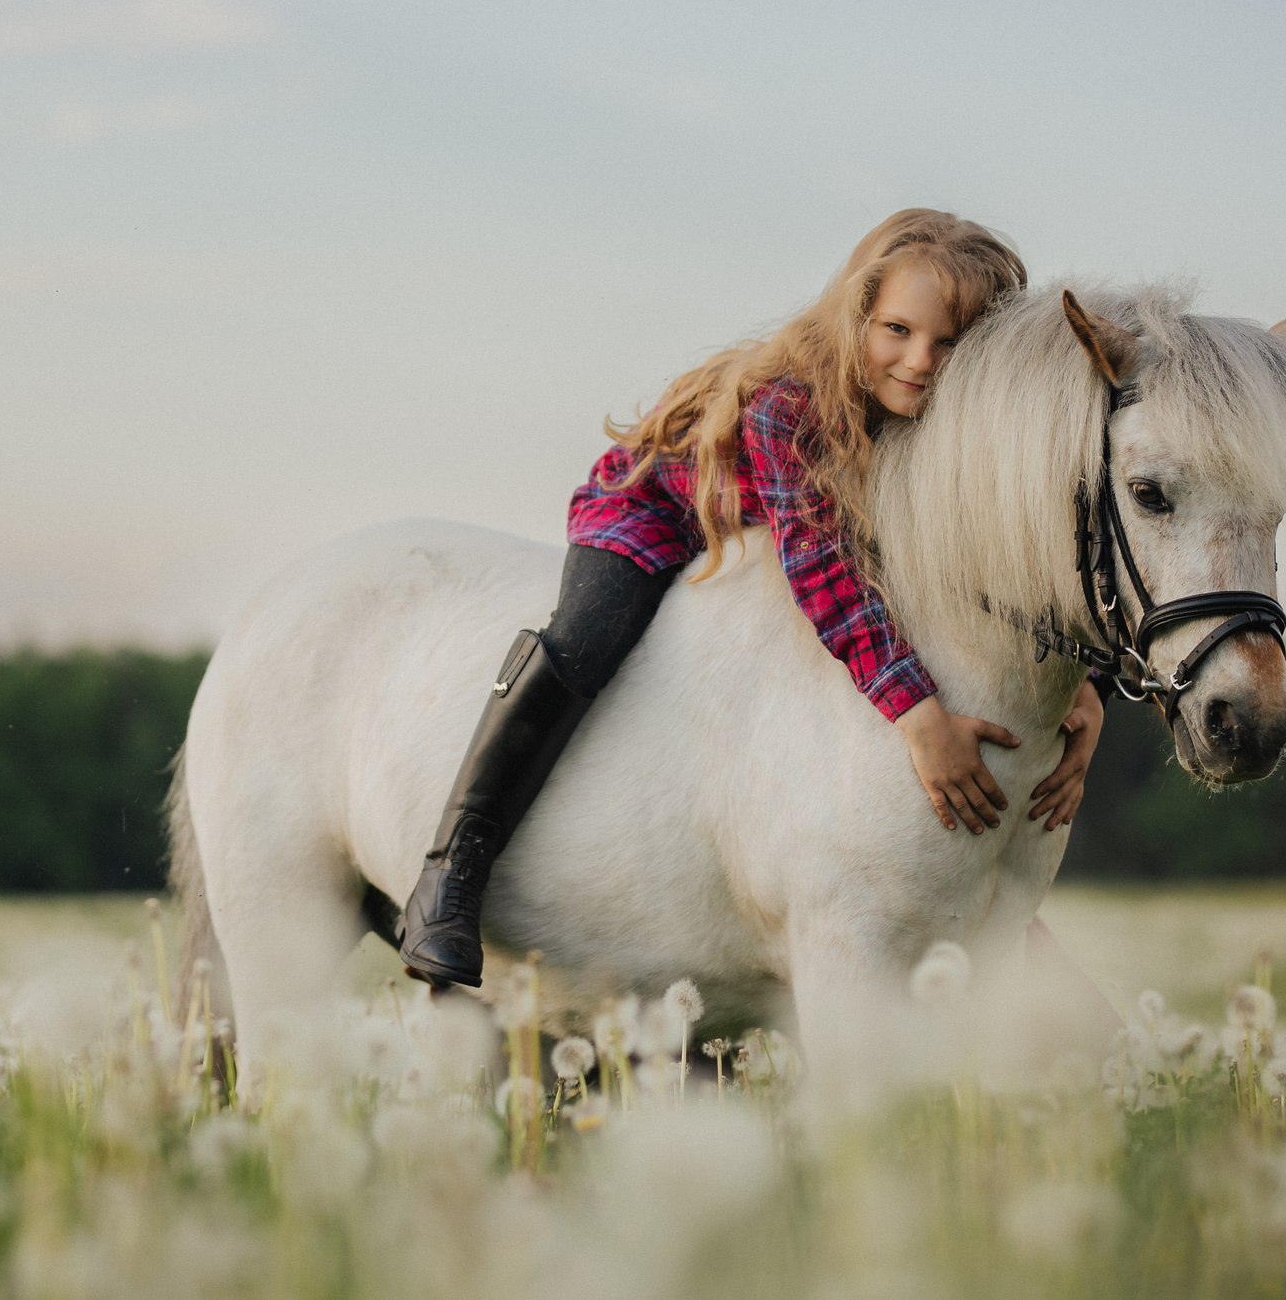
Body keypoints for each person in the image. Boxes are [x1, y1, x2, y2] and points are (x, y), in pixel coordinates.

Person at [396, 209, 1109, 989]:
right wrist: (916, 711)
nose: (919, 360)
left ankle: (995, 926)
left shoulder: (949, 421)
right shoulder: (790, 403)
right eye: (897, 329)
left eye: (949, 344)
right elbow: (824, 570)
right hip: (657, 507)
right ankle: (453, 867)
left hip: (796, 530)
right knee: (586, 637)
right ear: (858, 314)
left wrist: (1081, 686)